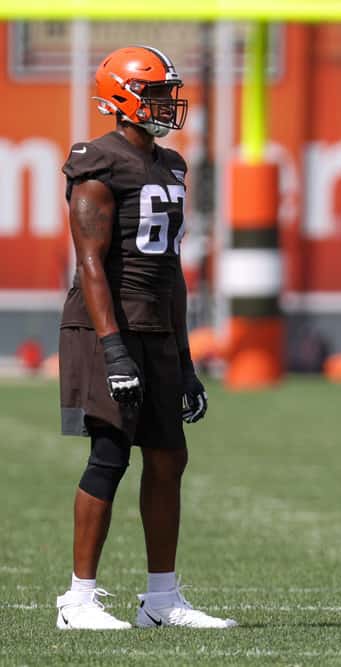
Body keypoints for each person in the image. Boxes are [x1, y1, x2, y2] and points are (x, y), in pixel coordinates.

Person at [55, 46, 235, 630]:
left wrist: (184, 360)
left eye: (167, 93)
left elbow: (172, 269)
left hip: (157, 325)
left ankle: (162, 599)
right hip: (106, 324)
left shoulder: (172, 165)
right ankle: (78, 600)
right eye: (157, 93)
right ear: (122, 98)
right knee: (109, 453)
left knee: (168, 457)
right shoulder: (97, 163)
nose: (167, 104)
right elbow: (89, 263)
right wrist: (112, 349)